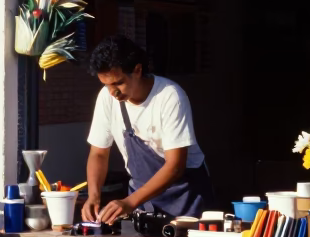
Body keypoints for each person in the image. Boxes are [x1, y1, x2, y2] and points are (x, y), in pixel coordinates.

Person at [81, 35, 214, 225]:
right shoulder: (107, 98)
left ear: (137, 70)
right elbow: (98, 153)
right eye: (106, 85)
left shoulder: (169, 96)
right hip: (142, 203)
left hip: (185, 200)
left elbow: (175, 165)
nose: (112, 92)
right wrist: (94, 195)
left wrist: (129, 202)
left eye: (118, 83)